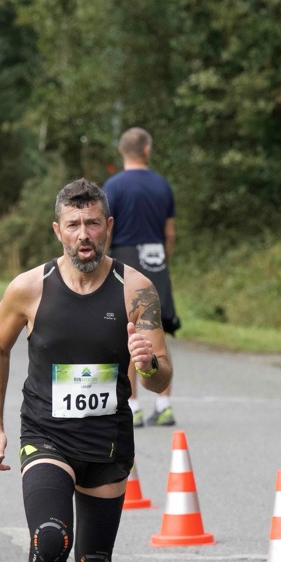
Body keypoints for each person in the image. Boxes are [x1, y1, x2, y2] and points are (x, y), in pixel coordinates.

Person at [0, 178, 171, 562]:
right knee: (48, 542)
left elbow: (161, 379)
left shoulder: (136, 290)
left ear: (108, 227)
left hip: (107, 441)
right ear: (57, 230)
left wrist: (147, 363)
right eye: (73, 225)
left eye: (92, 224)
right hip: (47, 434)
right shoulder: (29, 288)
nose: (83, 235)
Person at [104, 127, 178, 428]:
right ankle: (164, 405)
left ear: (122, 151)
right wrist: (164, 261)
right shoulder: (162, 185)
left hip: (124, 259)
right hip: (156, 259)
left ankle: (132, 406)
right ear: (146, 150)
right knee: (157, 330)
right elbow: (169, 233)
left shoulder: (113, 186)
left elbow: (106, 232)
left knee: (128, 332)